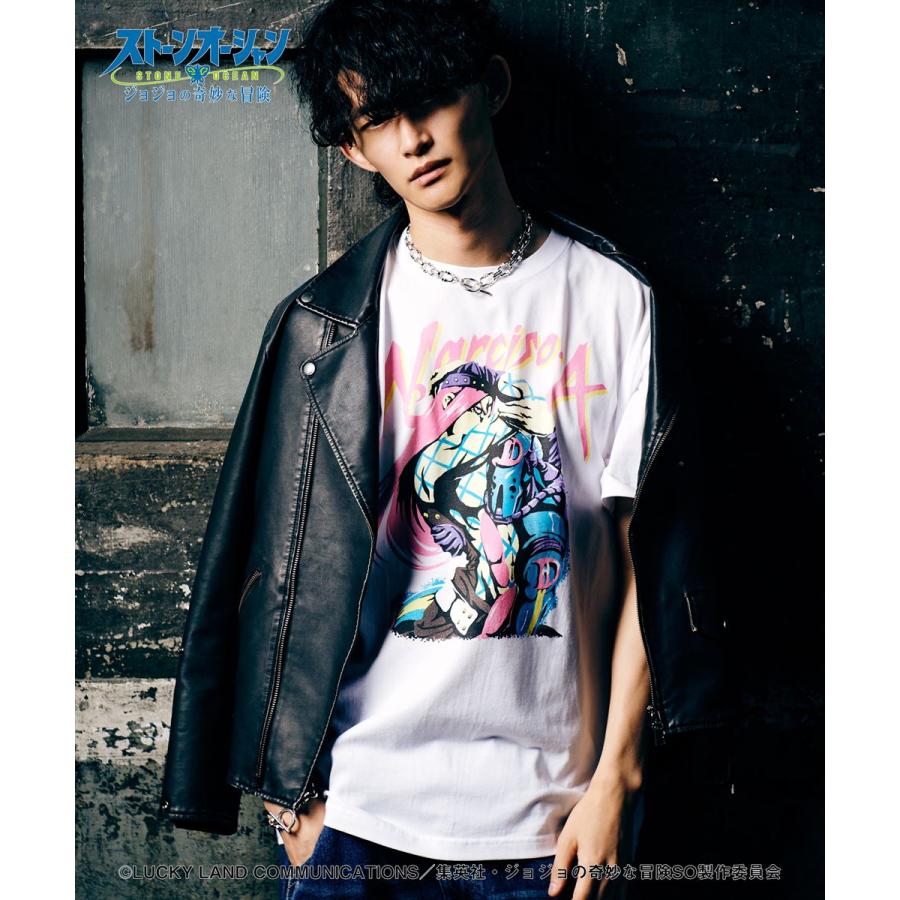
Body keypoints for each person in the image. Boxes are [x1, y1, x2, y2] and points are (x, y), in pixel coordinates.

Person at [158, 2, 733, 898]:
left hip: (552, 829)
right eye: (377, 120)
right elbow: (268, 563)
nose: (413, 140)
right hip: (354, 822)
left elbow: (649, 561)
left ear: (490, 89)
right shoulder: (323, 328)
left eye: (427, 101)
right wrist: (290, 797)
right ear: (353, 150)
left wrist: (617, 778)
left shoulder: (617, 301)